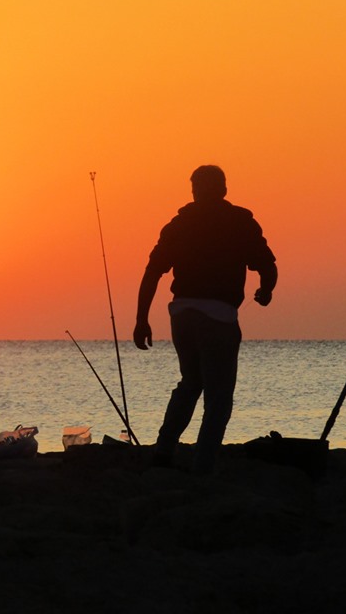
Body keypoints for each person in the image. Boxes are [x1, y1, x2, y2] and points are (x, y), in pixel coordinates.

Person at [133, 165, 277, 474]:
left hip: (181, 316)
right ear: (223, 190)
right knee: (219, 395)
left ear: (194, 191)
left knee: (191, 382)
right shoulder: (240, 222)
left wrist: (141, 319)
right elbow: (267, 264)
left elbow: (152, 273)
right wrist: (266, 290)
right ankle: (203, 465)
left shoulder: (179, 225)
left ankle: (163, 450)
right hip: (219, 319)